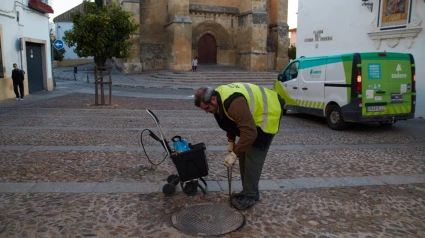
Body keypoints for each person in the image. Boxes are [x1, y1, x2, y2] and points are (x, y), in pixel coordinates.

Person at [194, 83, 285, 210]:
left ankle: (250, 195)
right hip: (251, 121)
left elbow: (250, 133)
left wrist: (234, 154)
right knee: (243, 154)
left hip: (267, 113)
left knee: (253, 157)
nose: (206, 112)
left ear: (213, 99)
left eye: (206, 108)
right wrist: (231, 140)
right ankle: (247, 191)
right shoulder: (217, 103)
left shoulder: (234, 103)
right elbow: (230, 121)